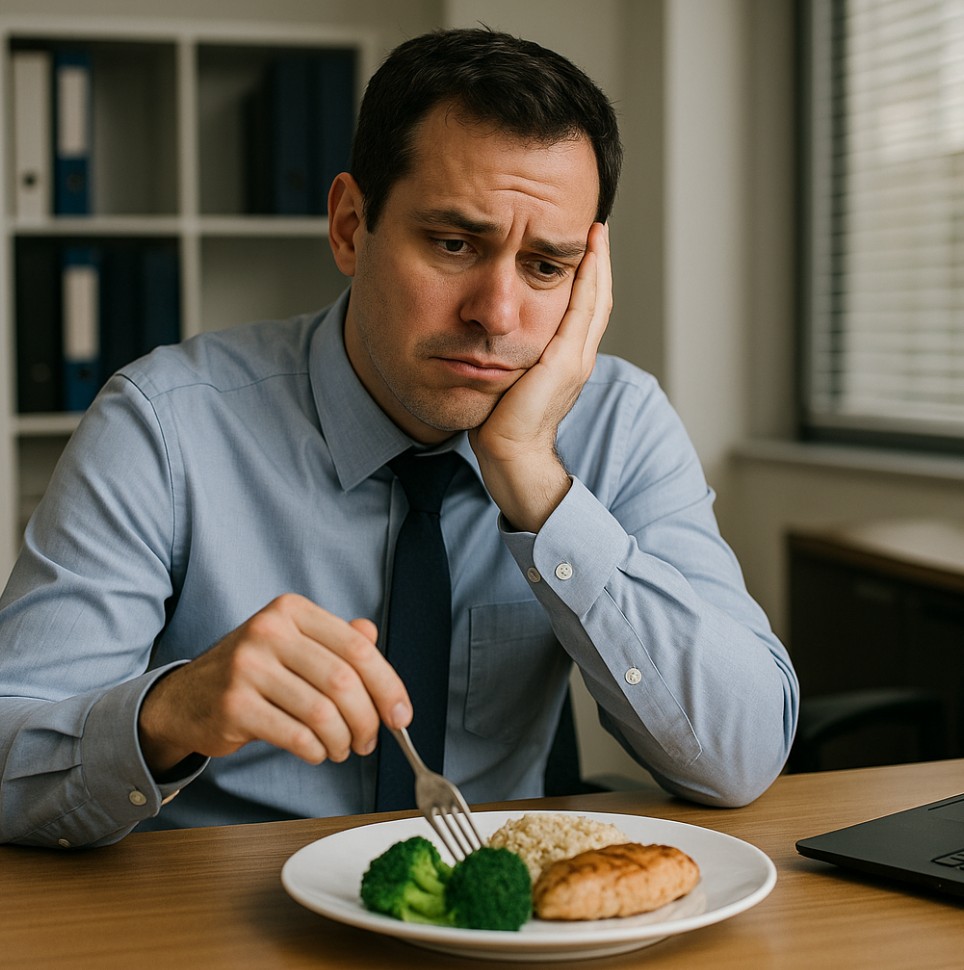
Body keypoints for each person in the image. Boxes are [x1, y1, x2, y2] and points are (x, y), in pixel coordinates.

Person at [0, 27, 798, 848]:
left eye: (546, 267)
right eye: (456, 244)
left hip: (493, 918)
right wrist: (167, 714)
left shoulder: (620, 423)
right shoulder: (163, 426)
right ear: (350, 226)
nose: (497, 314)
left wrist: (534, 480)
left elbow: (741, 757)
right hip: (221, 914)